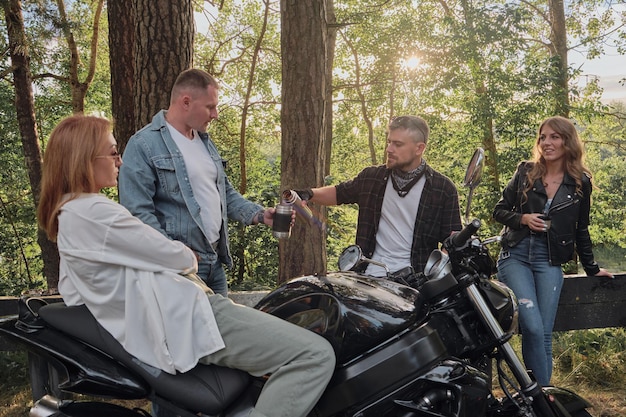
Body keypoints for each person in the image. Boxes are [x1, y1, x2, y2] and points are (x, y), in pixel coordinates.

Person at [37, 114, 335, 417]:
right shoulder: (95, 211)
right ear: (84, 158)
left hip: (178, 310)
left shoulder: (70, 215)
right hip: (185, 313)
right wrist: (182, 254)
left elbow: (73, 293)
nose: (121, 161)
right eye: (113, 152)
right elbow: (178, 257)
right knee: (313, 355)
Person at [119, 68, 275, 296]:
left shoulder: (204, 142)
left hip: (215, 265)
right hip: (179, 271)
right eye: (210, 107)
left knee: (220, 331)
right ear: (185, 102)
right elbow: (138, 214)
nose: (216, 114)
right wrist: (176, 253)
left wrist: (259, 214)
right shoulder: (143, 145)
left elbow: (225, 194)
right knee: (186, 333)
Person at [493, 116, 613, 387]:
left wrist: (592, 269)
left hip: (549, 261)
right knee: (532, 327)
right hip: (517, 256)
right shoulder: (525, 171)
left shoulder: (580, 182)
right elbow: (499, 211)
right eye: (543, 137)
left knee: (544, 333)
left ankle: (542, 396)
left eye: (554, 137)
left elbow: (581, 230)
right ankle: (539, 396)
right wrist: (522, 219)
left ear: (567, 141)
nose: (547, 142)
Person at [295, 115, 462, 277]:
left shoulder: (442, 189)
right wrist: (308, 194)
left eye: (397, 144)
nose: (389, 149)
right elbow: (339, 193)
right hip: (366, 276)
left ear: (419, 148)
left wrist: (435, 274)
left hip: (414, 283)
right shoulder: (372, 177)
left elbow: (452, 243)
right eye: (389, 142)